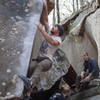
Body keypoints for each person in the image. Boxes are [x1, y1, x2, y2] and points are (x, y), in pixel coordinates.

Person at [19, 22, 64, 99]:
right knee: (30, 68)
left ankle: (30, 82)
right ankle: (27, 94)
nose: (53, 27)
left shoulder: (58, 39)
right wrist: (45, 9)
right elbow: (46, 20)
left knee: (40, 65)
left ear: (58, 31)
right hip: (38, 59)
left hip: (48, 61)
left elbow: (52, 42)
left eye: (55, 26)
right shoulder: (49, 32)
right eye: (53, 26)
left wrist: (41, 29)